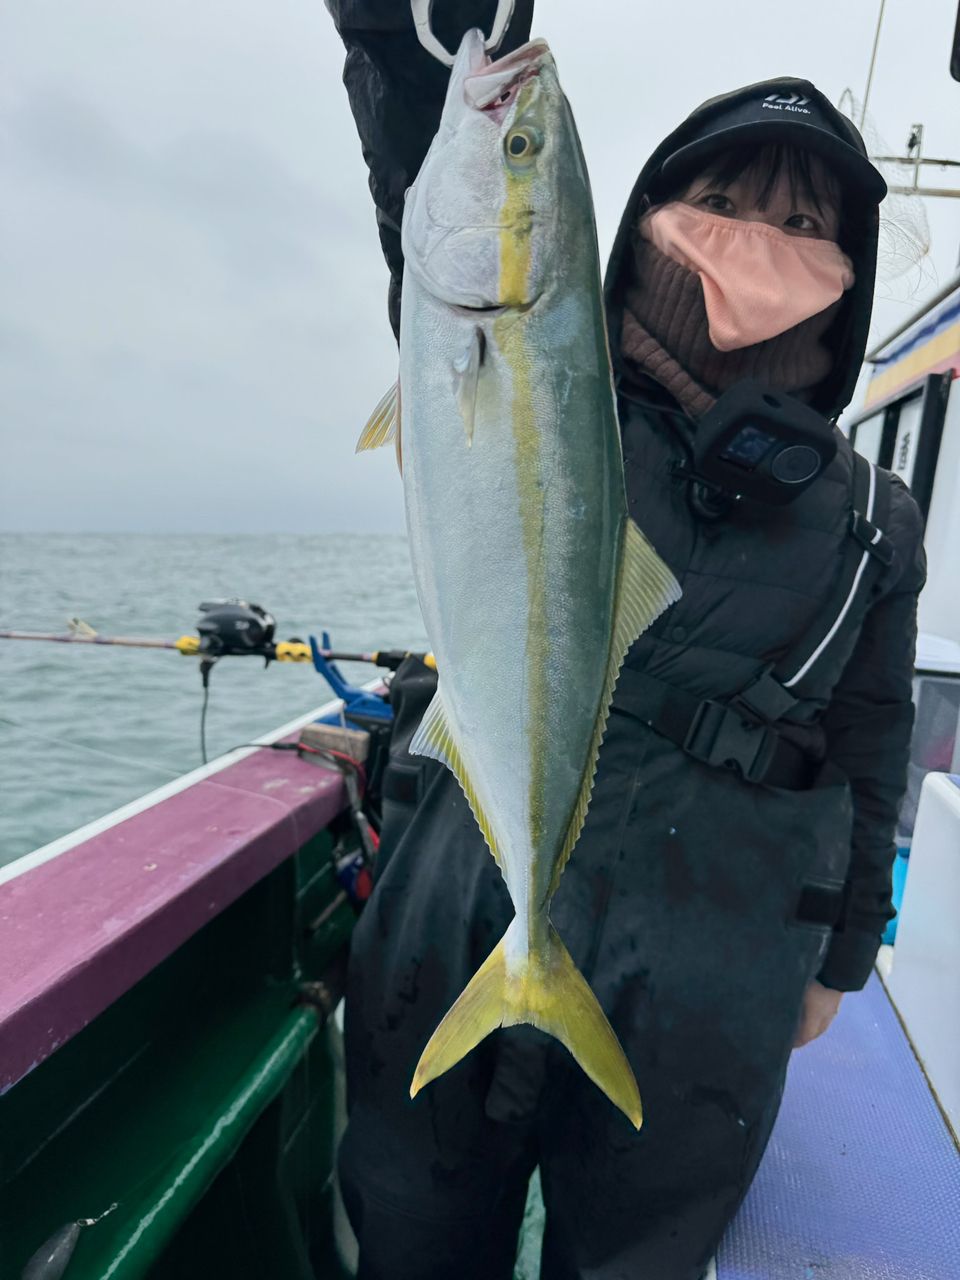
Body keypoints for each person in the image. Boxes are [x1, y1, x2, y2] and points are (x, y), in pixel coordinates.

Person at [327, 4, 926, 1278]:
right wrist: (406, 35)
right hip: (459, 908)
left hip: (712, 972)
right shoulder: (533, 365)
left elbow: (875, 745)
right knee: (414, 1239)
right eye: (727, 201)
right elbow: (418, 171)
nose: (766, 245)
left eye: (809, 227)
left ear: (849, 276)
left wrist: (845, 952)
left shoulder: (874, 518)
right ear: (645, 215)